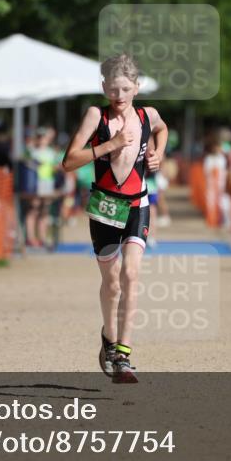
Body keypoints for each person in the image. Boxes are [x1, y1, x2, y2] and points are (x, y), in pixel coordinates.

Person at [62, 53, 167, 383]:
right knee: (111, 282)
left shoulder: (148, 114)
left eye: (125, 89)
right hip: (106, 205)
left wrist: (158, 152)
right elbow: (68, 161)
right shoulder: (97, 116)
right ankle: (109, 337)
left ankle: (123, 355)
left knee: (131, 275)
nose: (118, 96)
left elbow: (162, 129)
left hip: (138, 203)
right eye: (112, 89)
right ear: (103, 86)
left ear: (137, 87)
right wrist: (110, 145)